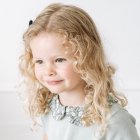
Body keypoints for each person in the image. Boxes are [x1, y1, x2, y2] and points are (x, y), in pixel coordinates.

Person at [19, 3, 140, 140]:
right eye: (39, 61)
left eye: (59, 60)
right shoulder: (50, 107)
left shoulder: (113, 121)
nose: (48, 71)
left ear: (87, 58)